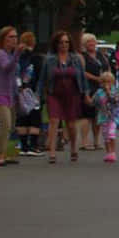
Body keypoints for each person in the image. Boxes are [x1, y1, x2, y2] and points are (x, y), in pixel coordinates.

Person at [40, 30, 92, 164]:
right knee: (53, 121)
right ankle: (52, 152)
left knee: (71, 125)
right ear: (56, 44)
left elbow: (82, 77)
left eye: (66, 42)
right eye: (61, 42)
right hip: (54, 94)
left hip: (72, 95)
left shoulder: (75, 58)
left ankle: (74, 147)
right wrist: (38, 94)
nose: (64, 45)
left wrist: (86, 94)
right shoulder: (49, 59)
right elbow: (42, 79)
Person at [0, 26, 18, 166]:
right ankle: (0, 155)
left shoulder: (10, 54)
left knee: (10, 126)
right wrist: (18, 54)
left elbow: (13, 77)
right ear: (3, 39)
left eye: (15, 37)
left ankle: (4, 153)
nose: (14, 40)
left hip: (10, 94)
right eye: (10, 37)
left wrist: (17, 93)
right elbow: (7, 68)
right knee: (5, 123)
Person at [78, 33, 108, 151]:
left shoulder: (101, 55)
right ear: (84, 44)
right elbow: (82, 72)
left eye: (93, 41)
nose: (92, 44)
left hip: (102, 88)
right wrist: (96, 78)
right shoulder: (82, 56)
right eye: (89, 42)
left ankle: (96, 141)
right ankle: (84, 142)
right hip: (88, 87)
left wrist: (107, 80)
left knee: (97, 116)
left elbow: (107, 68)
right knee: (87, 115)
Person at [15, 30, 42, 154]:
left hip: (19, 90)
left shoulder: (17, 56)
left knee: (22, 117)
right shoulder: (36, 57)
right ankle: (33, 146)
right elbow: (40, 74)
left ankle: (23, 146)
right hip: (33, 91)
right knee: (34, 117)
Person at [93, 70, 119, 162]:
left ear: (112, 82)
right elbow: (95, 102)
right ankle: (108, 152)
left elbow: (116, 101)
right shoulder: (99, 92)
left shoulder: (115, 91)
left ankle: (113, 152)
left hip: (113, 116)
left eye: (109, 82)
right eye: (104, 82)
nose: (106, 84)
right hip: (103, 116)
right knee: (105, 136)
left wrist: (109, 92)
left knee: (111, 134)